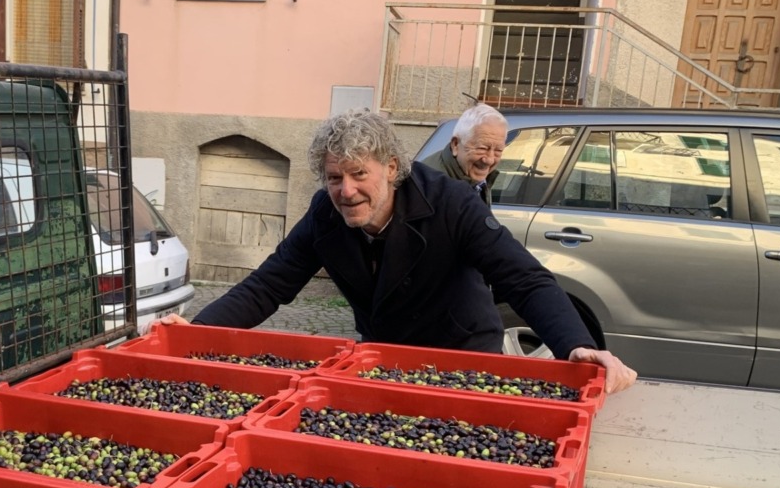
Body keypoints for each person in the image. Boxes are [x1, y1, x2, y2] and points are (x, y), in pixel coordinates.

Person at [157, 107, 636, 394]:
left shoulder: (451, 204)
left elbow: (524, 279)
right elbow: (270, 284)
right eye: (334, 177)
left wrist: (578, 346)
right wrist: (197, 332)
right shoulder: (325, 213)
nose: (346, 190)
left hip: (461, 358)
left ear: (390, 168)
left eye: (359, 174)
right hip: (383, 361)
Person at [421, 103, 507, 206]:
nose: (490, 160)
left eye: (498, 150)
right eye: (482, 148)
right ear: (456, 145)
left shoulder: (472, 178)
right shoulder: (430, 187)